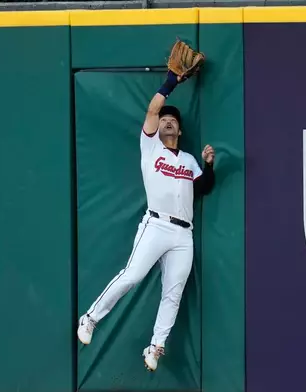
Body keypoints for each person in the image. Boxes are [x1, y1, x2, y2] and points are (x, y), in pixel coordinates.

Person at [76, 69, 215, 372]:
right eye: (164, 119)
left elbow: (204, 188)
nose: (166, 121)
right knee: (132, 275)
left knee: (173, 293)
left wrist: (208, 165)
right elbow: (153, 109)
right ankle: (90, 318)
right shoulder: (150, 147)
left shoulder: (189, 160)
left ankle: (156, 346)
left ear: (179, 130)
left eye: (173, 120)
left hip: (183, 235)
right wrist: (170, 82)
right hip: (156, 225)